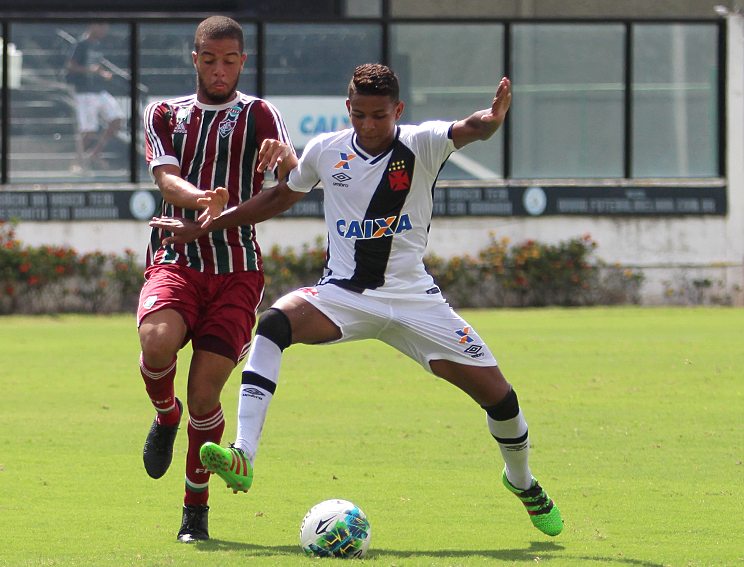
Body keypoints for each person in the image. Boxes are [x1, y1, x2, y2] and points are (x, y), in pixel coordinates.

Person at [151, 63, 564, 537]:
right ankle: (243, 453)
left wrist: (492, 119)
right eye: (359, 115)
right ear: (348, 108)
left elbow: (472, 128)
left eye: (379, 116)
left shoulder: (423, 143)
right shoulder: (326, 150)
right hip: (343, 296)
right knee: (274, 324)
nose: (368, 125)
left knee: (501, 400)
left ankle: (522, 481)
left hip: (414, 300)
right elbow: (278, 197)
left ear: (398, 111)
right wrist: (207, 225)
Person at [136, 15, 296, 543]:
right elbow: (166, 179)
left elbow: (290, 177)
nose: (219, 70)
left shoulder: (260, 114)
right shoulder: (165, 113)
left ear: (242, 62)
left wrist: (285, 157)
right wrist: (201, 198)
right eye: (209, 60)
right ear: (195, 60)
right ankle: (165, 416)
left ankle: (195, 512)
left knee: (205, 397)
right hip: (177, 258)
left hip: (236, 272)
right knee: (156, 343)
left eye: (229, 61)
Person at [65, 23, 126, 171]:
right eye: (103, 27)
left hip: (99, 90)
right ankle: (77, 163)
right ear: (94, 26)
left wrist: (103, 74)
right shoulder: (80, 44)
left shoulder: (97, 45)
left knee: (117, 119)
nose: (105, 31)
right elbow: (70, 66)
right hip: (85, 92)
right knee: (88, 131)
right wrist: (89, 70)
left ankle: (95, 153)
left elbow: (96, 66)